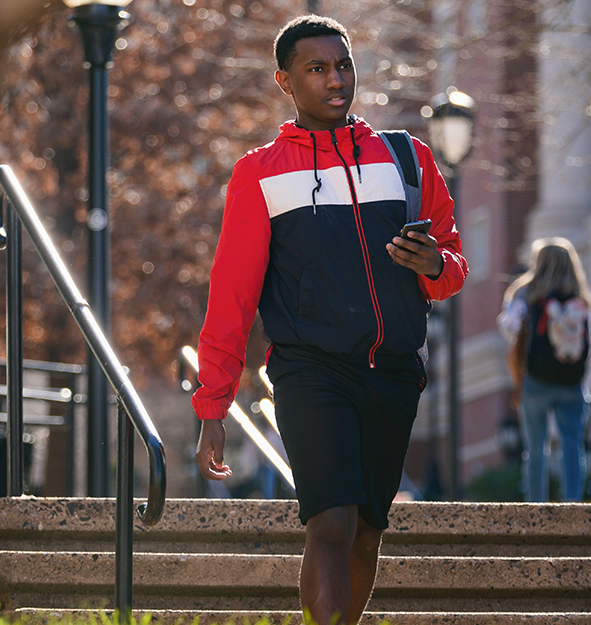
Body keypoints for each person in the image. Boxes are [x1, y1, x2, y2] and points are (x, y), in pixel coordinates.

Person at [190, 15, 466, 625]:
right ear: (286, 81)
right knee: (331, 520)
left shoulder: (407, 158)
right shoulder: (261, 173)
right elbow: (231, 297)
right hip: (309, 370)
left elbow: (451, 270)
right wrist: (213, 405)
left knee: (367, 530)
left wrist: (433, 262)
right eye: (317, 69)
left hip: (393, 370)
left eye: (343, 66)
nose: (335, 80)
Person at [498, 238, 591, 502]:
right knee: (572, 445)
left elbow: (509, 326)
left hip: (536, 381)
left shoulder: (527, 293)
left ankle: (536, 508)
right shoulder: (579, 297)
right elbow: (589, 342)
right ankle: (572, 503)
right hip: (572, 382)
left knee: (535, 449)